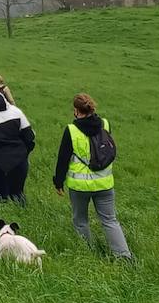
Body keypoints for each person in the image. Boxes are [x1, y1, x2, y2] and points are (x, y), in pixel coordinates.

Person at [54, 93, 133, 260]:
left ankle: (88, 254)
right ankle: (124, 256)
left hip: (79, 186)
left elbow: (63, 158)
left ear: (76, 110)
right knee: (110, 221)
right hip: (104, 183)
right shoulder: (105, 124)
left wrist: (58, 182)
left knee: (80, 221)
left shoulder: (71, 130)